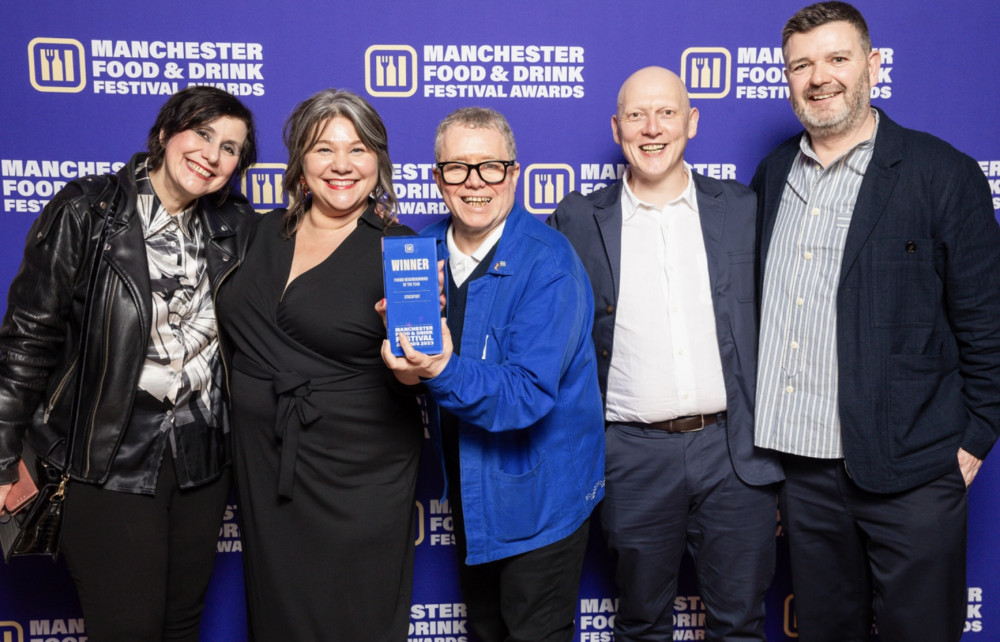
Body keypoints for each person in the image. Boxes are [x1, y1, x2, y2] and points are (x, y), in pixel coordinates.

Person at [753, 3, 1000, 640]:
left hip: (914, 472)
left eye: (837, 58)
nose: (819, 77)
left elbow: (987, 322)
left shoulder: (942, 174)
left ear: (873, 65)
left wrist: (973, 439)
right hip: (805, 475)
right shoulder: (774, 174)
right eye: (801, 64)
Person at [0, 86, 257, 641]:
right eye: (203, 133)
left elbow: (313, 254)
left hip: (202, 462)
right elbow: (26, 340)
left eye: (231, 148)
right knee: (127, 630)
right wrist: (0, 459)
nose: (213, 155)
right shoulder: (87, 211)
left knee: (181, 627)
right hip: (106, 459)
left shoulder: (235, 226)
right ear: (166, 133)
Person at [548, 67, 783, 641]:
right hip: (631, 455)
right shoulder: (578, 219)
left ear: (692, 121)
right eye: (635, 115)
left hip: (735, 455)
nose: (652, 129)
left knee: (741, 625)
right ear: (616, 126)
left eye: (668, 113)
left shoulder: (744, 209)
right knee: (641, 622)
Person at [381, 107, 605, 642]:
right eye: (457, 168)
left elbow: (526, 395)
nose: (474, 183)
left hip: (542, 496)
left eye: (491, 167)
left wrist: (438, 368)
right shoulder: (419, 254)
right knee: (484, 631)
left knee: (533, 633)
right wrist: (406, 361)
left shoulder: (549, 263)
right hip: (470, 488)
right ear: (437, 178)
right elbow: (415, 380)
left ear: (515, 173)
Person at [216, 88, 425, 641]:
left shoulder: (401, 251)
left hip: (358, 473)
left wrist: (411, 357)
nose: (340, 165)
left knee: (353, 616)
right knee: (280, 617)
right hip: (267, 463)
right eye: (322, 149)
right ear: (300, 165)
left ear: (378, 161)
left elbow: (415, 370)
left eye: (357, 149)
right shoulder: (256, 233)